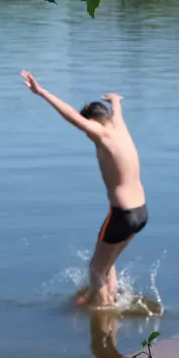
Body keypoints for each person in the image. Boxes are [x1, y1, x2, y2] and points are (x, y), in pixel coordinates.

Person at [21, 70, 147, 309]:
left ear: (92, 123)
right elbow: (117, 111)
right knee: (106, 264)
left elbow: (69, 116)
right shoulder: (120, 128)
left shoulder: (102, 134)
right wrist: (116, 100)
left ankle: (102, 316)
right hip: (141, 211)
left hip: (122, 213)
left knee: (95, 270)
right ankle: (107, 303)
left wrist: (42, 92)